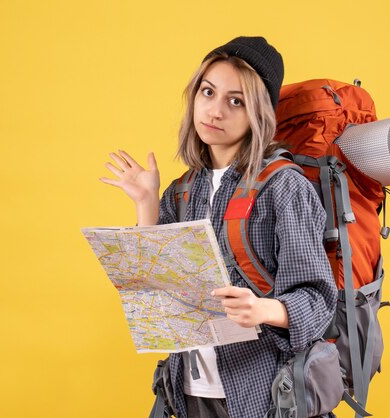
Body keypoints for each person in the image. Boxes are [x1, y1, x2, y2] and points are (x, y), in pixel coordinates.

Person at [100, 36, 337, 418]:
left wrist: (264, 309)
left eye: (236, 101)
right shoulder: (182, 190)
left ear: (258, 114)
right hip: (190, 391)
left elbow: (318, 301)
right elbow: (156, 290)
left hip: (264, 393)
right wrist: (146, 201)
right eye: (208, 92)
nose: (215, 110)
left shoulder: (283, 187)